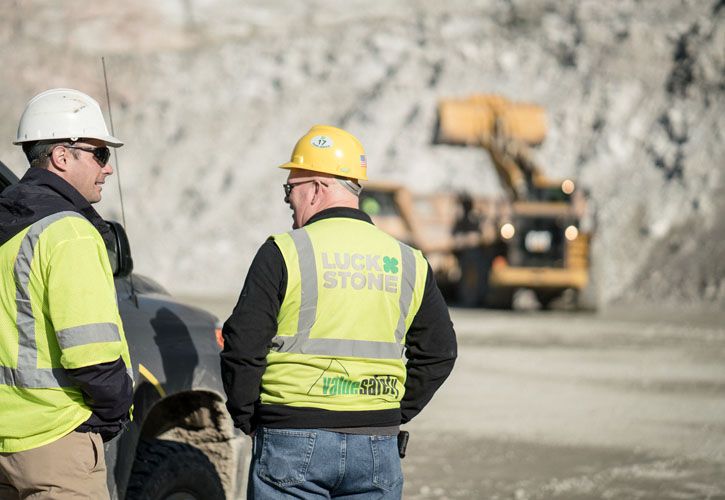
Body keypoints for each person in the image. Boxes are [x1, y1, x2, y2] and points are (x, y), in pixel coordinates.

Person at [221, 125, 457, 498]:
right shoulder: (408, 260)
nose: (287, 200)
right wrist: (392, 411)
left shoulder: (285, 251)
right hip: (376, 443)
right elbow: (440, 351)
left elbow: (242, 344)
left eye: (290, 189)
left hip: (291, 434)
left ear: (317, 187)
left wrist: (249, 416)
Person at [0, 88, 134, 500]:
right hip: (55, 441)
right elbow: (90, 355)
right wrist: (115, 413)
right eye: (100, 154)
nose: (107, 169)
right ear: (62, 156)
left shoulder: (9, 223)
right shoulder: (69, 233)